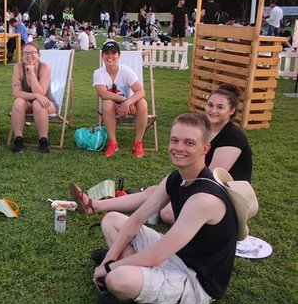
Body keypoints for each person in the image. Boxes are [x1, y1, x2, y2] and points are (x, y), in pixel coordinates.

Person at [82, 113, 237, 304]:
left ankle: (125, 281)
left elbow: (157, 256)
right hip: (175, 255)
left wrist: (109, 268)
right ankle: (125, 262)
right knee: (111, 219)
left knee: (117, 279)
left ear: (205, 148)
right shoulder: (176, 177)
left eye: (189, 142)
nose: (179, 147)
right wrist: (108, 259)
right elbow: (137, 218)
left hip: (195, 279)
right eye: (175, 140)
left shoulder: (204, 199)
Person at [71, 84, 252, 223]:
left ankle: (149, 208)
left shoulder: (233, 137)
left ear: (232, 111)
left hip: (223, 197)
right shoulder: (205, 129)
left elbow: (212, 179)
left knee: (166, 212)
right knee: (154, 192)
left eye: (220, 107)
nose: (212, 110)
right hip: (200, 185)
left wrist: (176, 191)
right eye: (210, 105)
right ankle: (94, 205)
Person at [94, 41, 148, 158]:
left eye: (113, 53)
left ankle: (138, 142)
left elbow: (141, 91)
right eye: (106, 53)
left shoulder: (126, 71)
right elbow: (103, 94)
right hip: (114, 107)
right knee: (107, 104)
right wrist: (124, 100)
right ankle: (113, 143)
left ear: (119, 55)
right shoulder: (98, 73)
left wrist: (128, 102)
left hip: (129, 107)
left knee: (143, 103)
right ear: (102, 56)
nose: (110, 56)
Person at [10, 42, 58, 153]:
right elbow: (16, 93)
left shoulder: (44, 67)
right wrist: (35, 95)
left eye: (32, 53)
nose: (29, 56)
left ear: (38, 55)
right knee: (18, 102)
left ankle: (43, 140)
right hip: (28, 103)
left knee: (37, 103)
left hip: (47, 104)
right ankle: (18, 139)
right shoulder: (18, 67)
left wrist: (31, 73)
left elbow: (41, 93)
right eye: (26, 53)